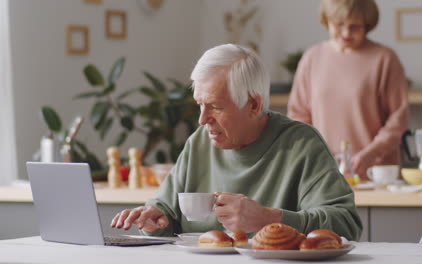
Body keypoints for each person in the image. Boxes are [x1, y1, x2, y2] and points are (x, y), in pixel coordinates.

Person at [111, 44, 362, 240]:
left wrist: (269, 218)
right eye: (200, 105)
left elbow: (347, 225)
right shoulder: (199, 142)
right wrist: (154, 222)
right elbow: (167, 215)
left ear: (253, 105)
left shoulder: (301, 144)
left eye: (215, 107)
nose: (202, 120)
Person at [287, 0, 408, 180]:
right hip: (322, 173)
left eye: (355, 26)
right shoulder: (312, 58)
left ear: (367, 25)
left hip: (376, 173)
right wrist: (316, 155)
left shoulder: (384, 59)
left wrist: (370, 154)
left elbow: (398, 119)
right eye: (339, 24)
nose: (346, 33)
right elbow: (298, 116)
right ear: (326, 20)